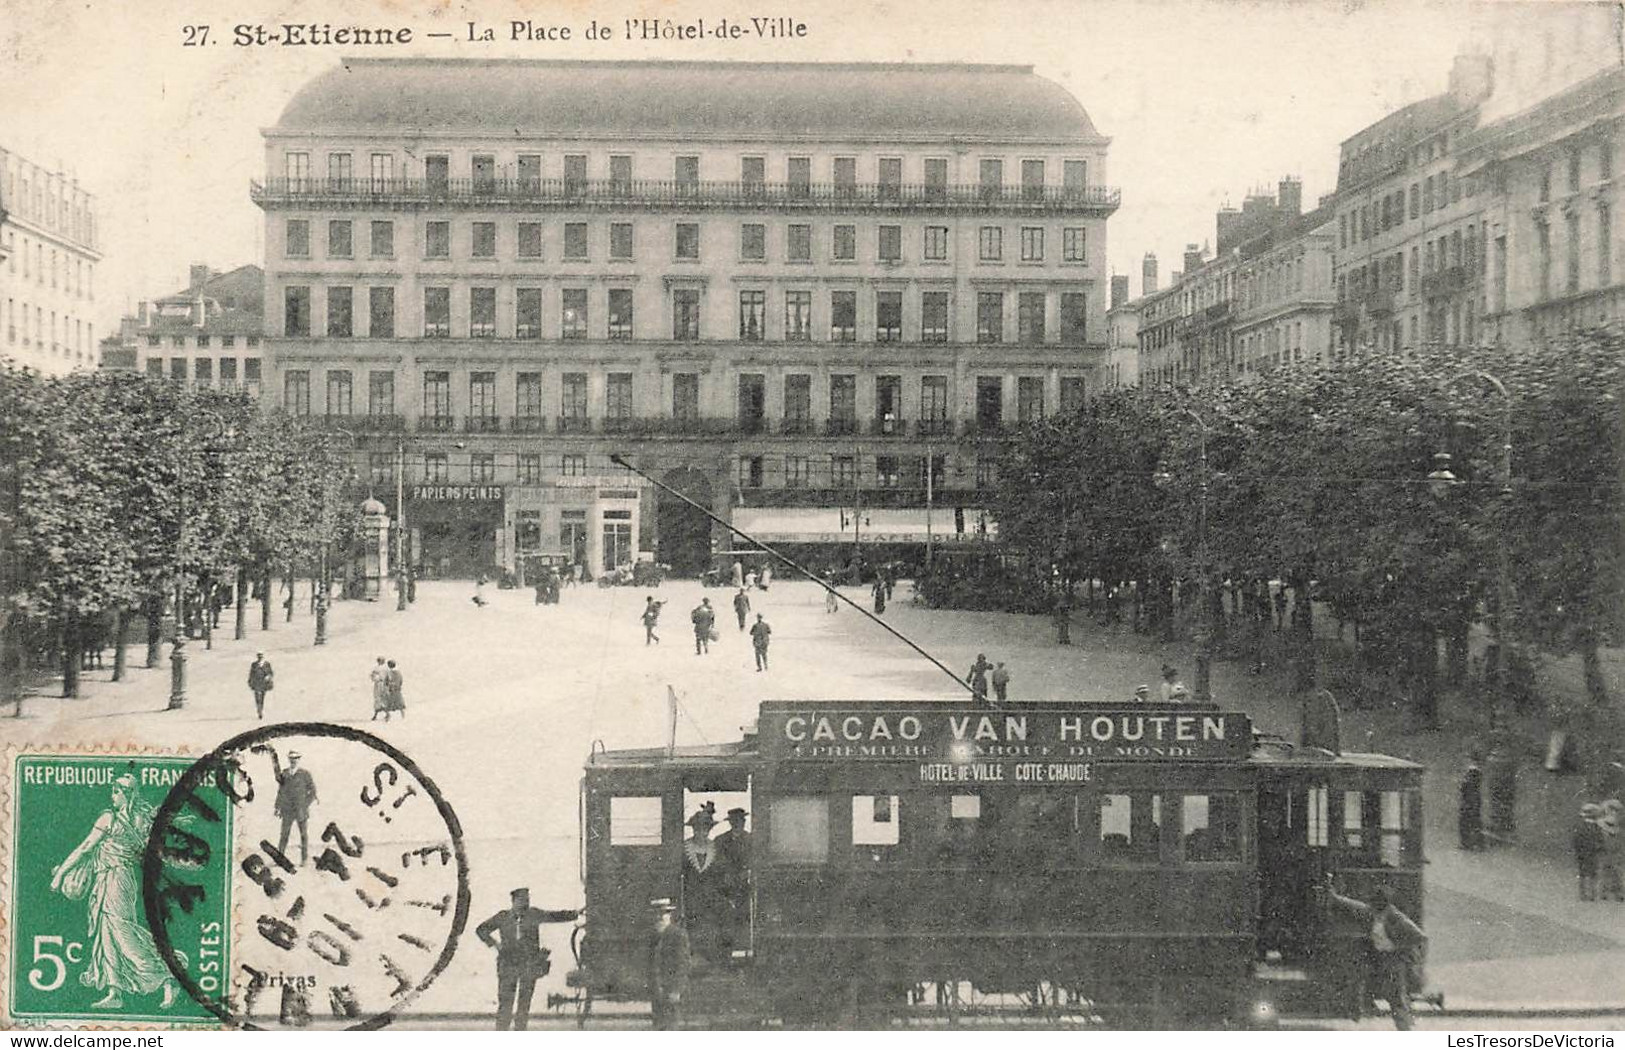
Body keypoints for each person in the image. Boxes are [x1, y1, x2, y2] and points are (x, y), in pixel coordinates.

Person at [50, 771, 183, 1010]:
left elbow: (85, 848)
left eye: (116, 791)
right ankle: (115, 991)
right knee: (107, 933)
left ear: (126, 794)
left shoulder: (108, 819)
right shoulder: (142, 821)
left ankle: (167, 975)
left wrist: (60, 875)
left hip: (116, 879)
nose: (112, 796)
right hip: (117, 879)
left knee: (122, 932)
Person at [1320, 878, 1426, 1030]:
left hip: (1395, 961)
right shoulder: (1373, 913)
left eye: (1375, 904)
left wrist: (1400, 949)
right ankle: (1357, 1011)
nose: (1372, 907)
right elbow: (1354, 905)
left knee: (1397, 996)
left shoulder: (1397, 919)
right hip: (1381, 958)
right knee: (1360, 977)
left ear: (1384, 904)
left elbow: (1420, 937)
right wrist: (1334, 895)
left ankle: (1405, 1029)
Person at [474, 887, 579, 1031]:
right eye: (523, 900)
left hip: (529, 965)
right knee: (505, 1004)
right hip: (507, 965)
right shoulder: (503, 917)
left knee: (524, 1005)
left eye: (527, 900)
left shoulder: (534, 914)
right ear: (514, 901)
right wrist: (495, 944)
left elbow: (554, 916)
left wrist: (574, 914)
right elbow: (481, 929)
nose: (526, 903)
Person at [713, 808, 753, 956]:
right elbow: (718, 862)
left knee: (744, 917)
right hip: (726, 886)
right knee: (726, 918)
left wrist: (746, 872)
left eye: (741, 821)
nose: (738, 824)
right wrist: (727, 875)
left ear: (744, 822)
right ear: (730, 823)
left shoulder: (751, 840)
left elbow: (753, 861)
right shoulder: (720, 840)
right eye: (735, 821)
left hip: (745, 886)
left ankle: (745, 950)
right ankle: (725, 952)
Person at [268, 749, 318, 866]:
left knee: (303, 835)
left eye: (296, 758)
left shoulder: (305, 774)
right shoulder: (284, 773)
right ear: (289, 760)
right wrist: (277, 807)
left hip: (301, 810)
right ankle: (280, 859)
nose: (293, 761)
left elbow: (313, 791)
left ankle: (304, 859)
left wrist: (305, 804)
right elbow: (281, 791)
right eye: (291, 759)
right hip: (287, 810)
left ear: (299, 760)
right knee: (284, 835)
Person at [649, 899, 690, 1029]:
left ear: (670, 916)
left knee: (671, 1026)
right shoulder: (653, 936)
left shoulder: (678, 935)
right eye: (657, 914)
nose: (660, 917)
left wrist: (676, 990)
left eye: (664, 913)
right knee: (658, 1025)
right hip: (657, 990)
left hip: (671, 990)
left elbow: (683, 964)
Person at [1575, 803, 1606, 901]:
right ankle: (1592, 894)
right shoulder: (1597, 828)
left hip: (1583, 853)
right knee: (1593, 874)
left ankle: (1584, 894)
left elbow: (1576, 840)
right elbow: (1601, 841)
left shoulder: (1580, 827)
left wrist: (1578, 850)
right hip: (1593, 853)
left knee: (1584, 874)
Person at [1458, 752, 1485, 851]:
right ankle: (1476, 842)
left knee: (1466, 821)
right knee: (1474, 820)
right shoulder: (1476, 772)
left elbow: (1465, 787)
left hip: (1469, 800)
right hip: (1474, 799)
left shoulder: (1472, 772)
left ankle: (1468, 843)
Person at [248, 653, 274, 720]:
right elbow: (251, 674)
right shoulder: (254, 664)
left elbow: (271, 673)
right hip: (256, 683)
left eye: (261, 656)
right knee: (257, 697)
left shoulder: (267, 664)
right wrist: (250, 682)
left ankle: (261, 709)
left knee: (262, 697)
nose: (260, 657)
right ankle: (259, 711)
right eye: (259, 656)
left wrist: (268, 677)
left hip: (264, 683)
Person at [370, 656, 390, 721]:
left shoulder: (383, 669)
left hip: (381, 684)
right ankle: (377, 715)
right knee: (378, 699)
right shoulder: (379, 668)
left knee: (381, 699)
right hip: (379, 685)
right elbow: (373, 676)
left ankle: (386, 714)